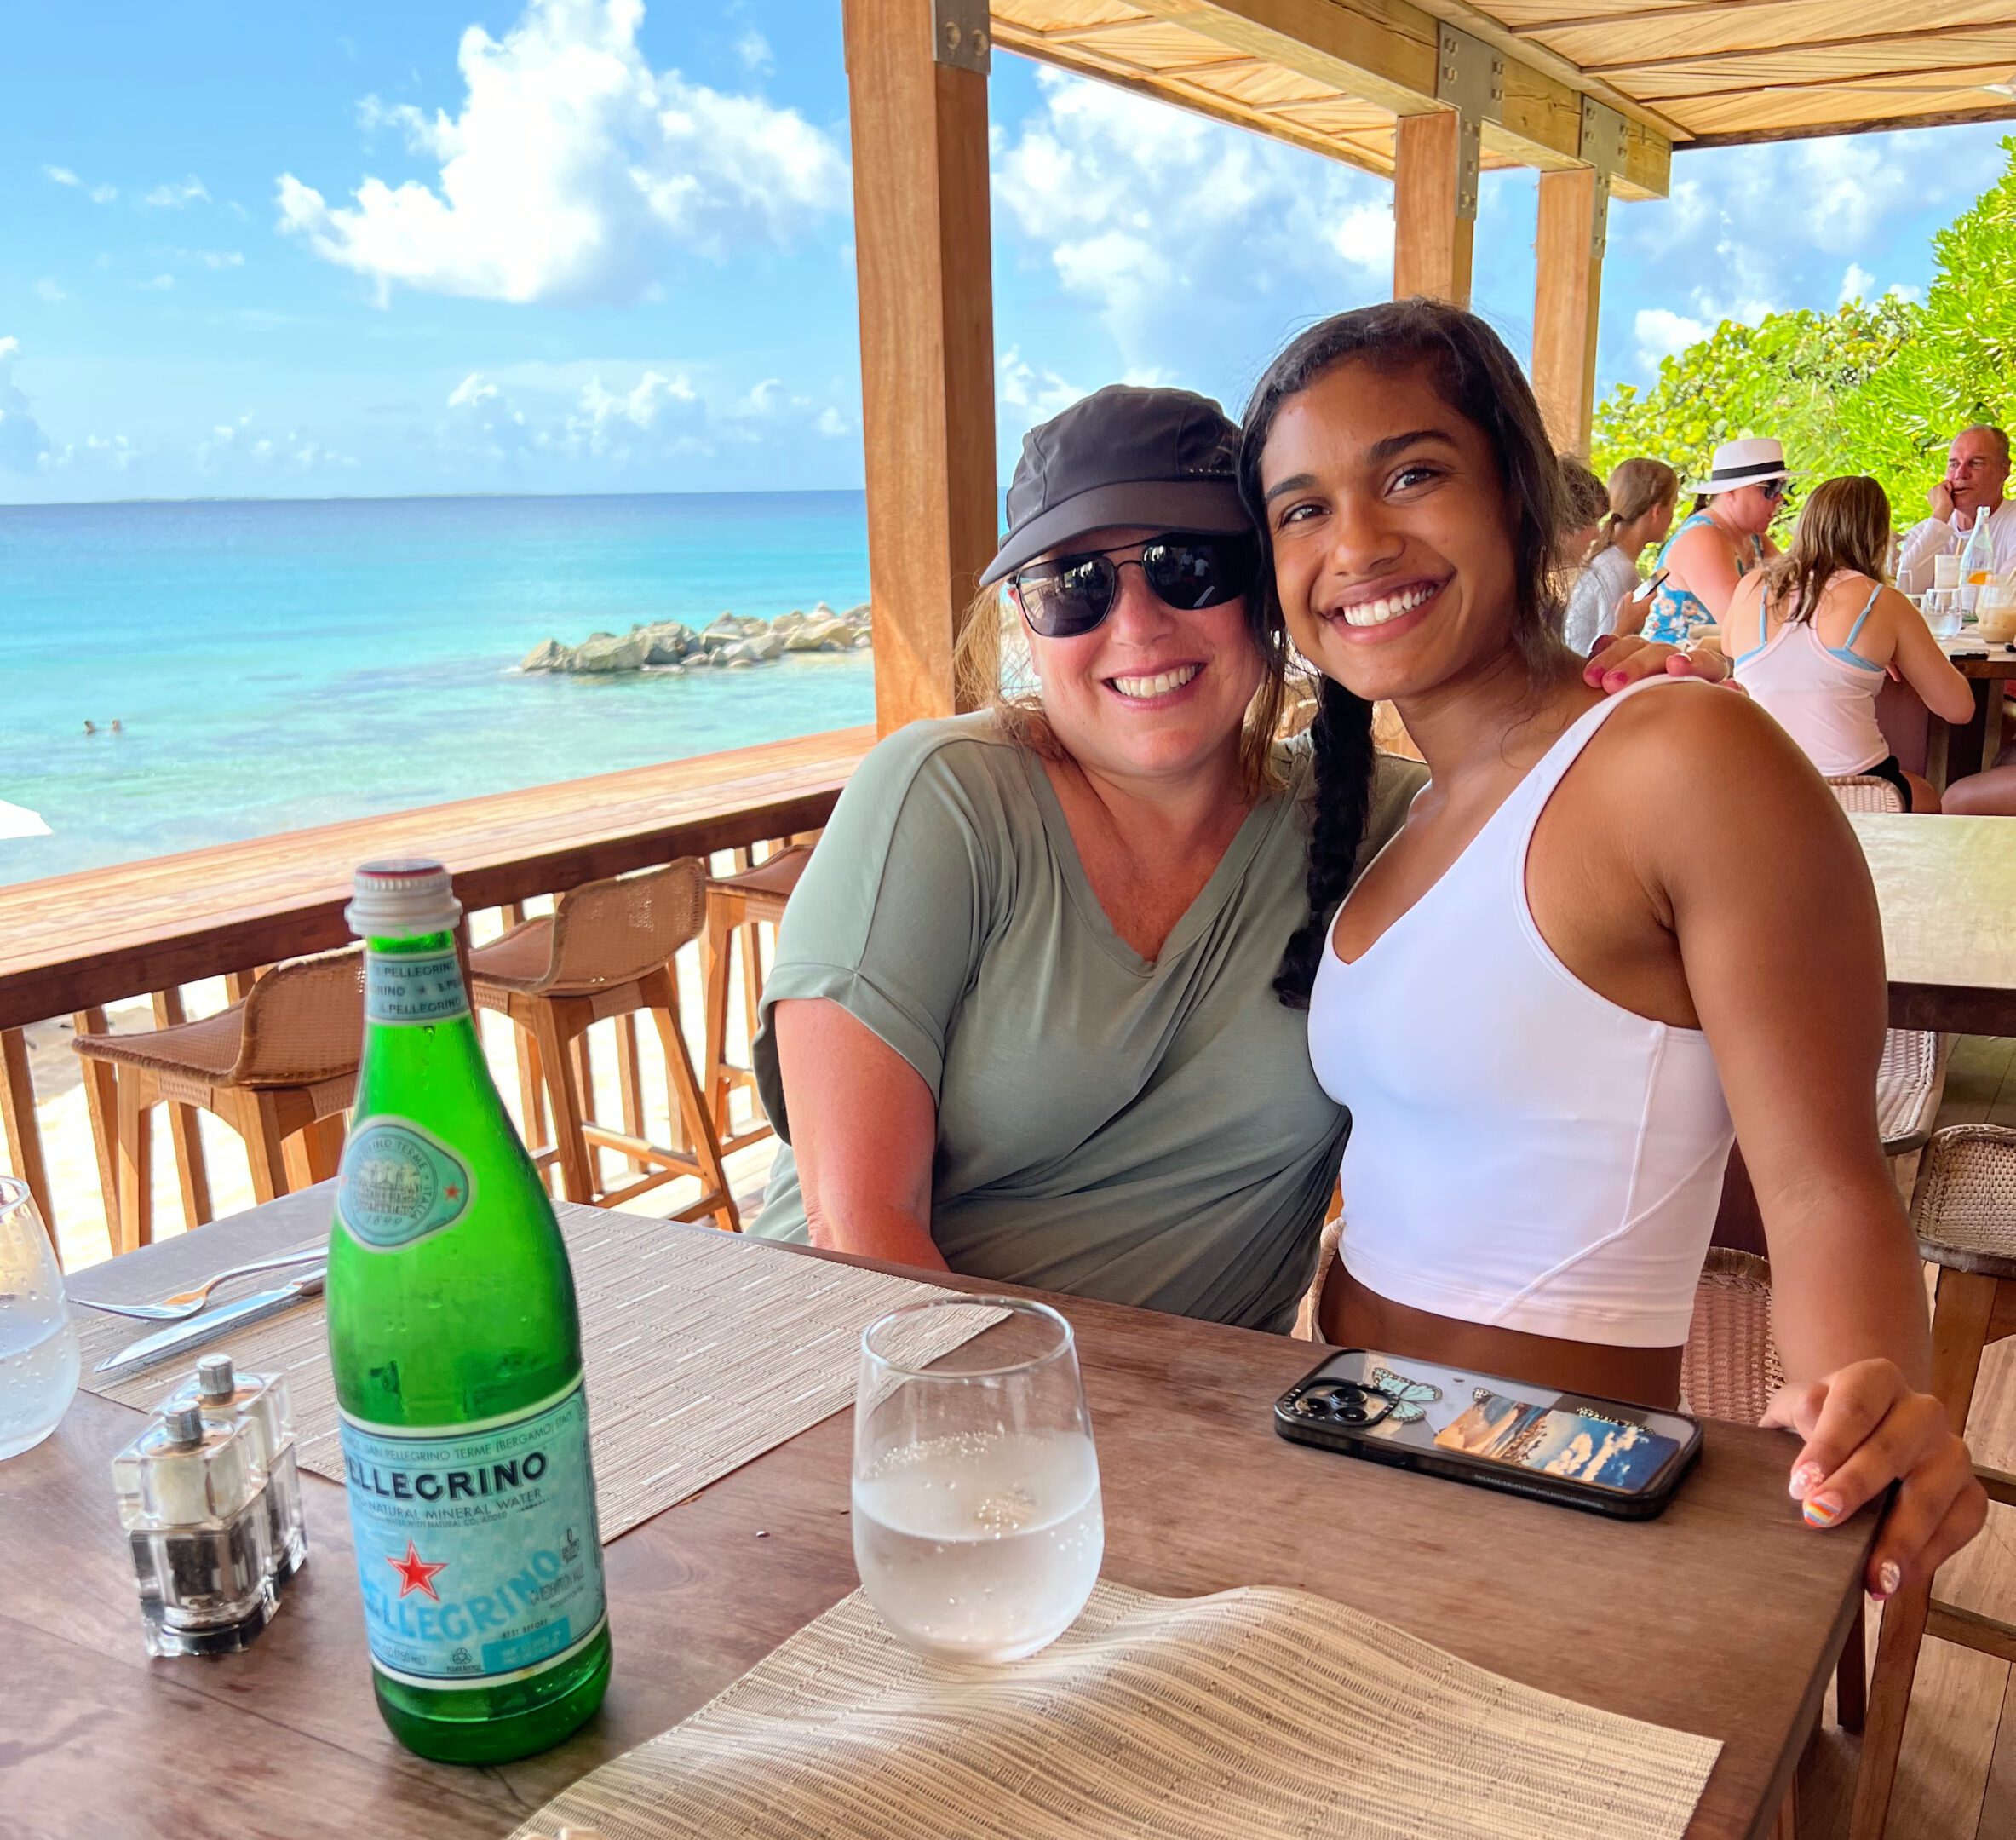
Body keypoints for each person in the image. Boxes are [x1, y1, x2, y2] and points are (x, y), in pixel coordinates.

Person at [1243, 299, 1983, 1602]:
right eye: (1299, 508)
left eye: (1410, 474)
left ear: (1523, 500)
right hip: (1333, 1452)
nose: (1353, 542)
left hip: (1550, 1514)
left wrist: (1860, 1412)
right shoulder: (1405, 815)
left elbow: (1819, 1183)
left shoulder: (1681, 759)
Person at [746, 385, 1686, 1331]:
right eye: (1073, 583)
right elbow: (857, 1226)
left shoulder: (1379, 828)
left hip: (1196, 1431)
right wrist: (1042, 1445)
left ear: (1271, 596)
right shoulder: (946, 795)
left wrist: (1632, 712)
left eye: (1191, 565)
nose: (1138, 623)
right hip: (873, 1392)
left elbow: (1620, 832)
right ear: (1027, 625)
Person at [1724, 476, 1972, 811]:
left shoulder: (1752, 586)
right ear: (1877, 535)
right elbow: (1959, 709)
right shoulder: (1883, 603)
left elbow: (1728, 647)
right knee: (1926, 795)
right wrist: (1893, 647)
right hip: (1859, 788)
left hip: (1762, 784)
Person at [1640, 438, 1788, 644]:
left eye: (1782, 486)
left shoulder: (1755, 538)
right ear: (1732, 491)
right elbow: (1743, 626)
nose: (1779, 498)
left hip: (1713, 664)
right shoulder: (1702, 538)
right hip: (1672, 667)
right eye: (1771, 487)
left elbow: (1795, 592)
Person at [1562, 458, 1676, 655]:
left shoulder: (1611, 560)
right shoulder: (1620, 570)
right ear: (1657, 512)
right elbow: (1605, 655)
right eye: (1673, 505)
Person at [1896, 424, 2015, 595]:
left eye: (1975, 464)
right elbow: (1904, 592)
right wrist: (1939, 516)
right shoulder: (1927, 532)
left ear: (2004, 469)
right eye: (1953, 464)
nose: (1960, 474)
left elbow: (2005, 597)